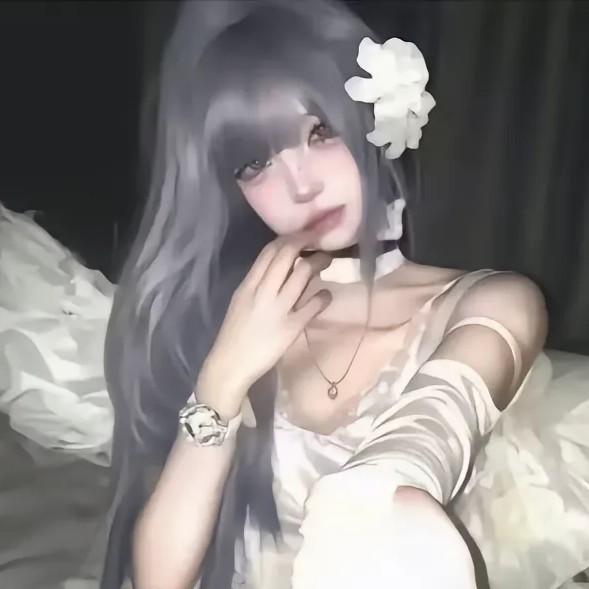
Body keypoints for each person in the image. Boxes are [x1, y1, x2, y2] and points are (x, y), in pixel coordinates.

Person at [100, 1, 548, 588]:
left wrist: (380, 500)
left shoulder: (492, 301)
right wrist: (223, 378)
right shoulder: (225, 319)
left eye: (320, 132)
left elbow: (421, 443)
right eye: (254, 163)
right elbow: (158, 580)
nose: (301, 185)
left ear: (373, 120)